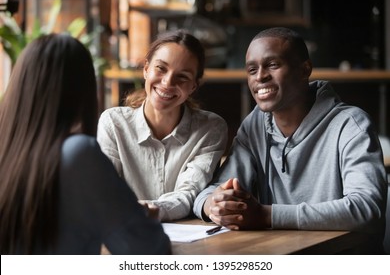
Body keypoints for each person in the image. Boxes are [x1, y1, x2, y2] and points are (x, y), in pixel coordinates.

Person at [193, 27, 388, 253]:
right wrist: (212, 205)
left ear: (305, 69)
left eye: (272, 65)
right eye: (252, 69)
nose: (260, 76)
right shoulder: (254, 125)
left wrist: (266, 215)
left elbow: (367, 208)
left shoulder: (351, 124)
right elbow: (216, 189)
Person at [0, 34, 170, 255]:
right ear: (83, 91)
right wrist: (135, 217)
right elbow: (149, 251)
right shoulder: (78, 154)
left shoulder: (8, 150)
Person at [97, 29, 228, 221]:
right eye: (161, 68)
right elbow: (106, 191)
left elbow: (189, 193)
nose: (167, 82)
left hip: (189, 241)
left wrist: (152, 211)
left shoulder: (211, 129)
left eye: (182, 76)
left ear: (193, 86)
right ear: (146, 69)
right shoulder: (113, 124)